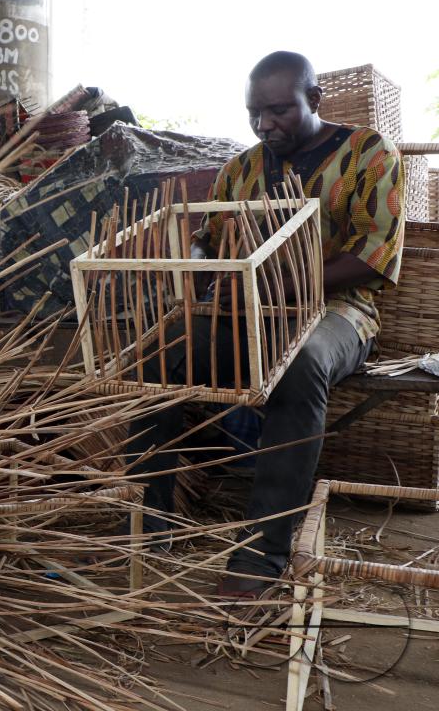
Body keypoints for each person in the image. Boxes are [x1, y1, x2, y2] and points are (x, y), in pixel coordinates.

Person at [124, 51, 404, 597]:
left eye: (279, 110)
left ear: (314, 100)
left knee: (298, 364)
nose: (264, 124)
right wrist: (202, 268)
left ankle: (262, 552)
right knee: (160, 351)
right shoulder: (243, 168)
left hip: (339, 313)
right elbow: (211, 239)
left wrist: (272, 284)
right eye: (255, 113)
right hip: (244, 316)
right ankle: (146, 527)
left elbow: (372, 258)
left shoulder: (369, 154)